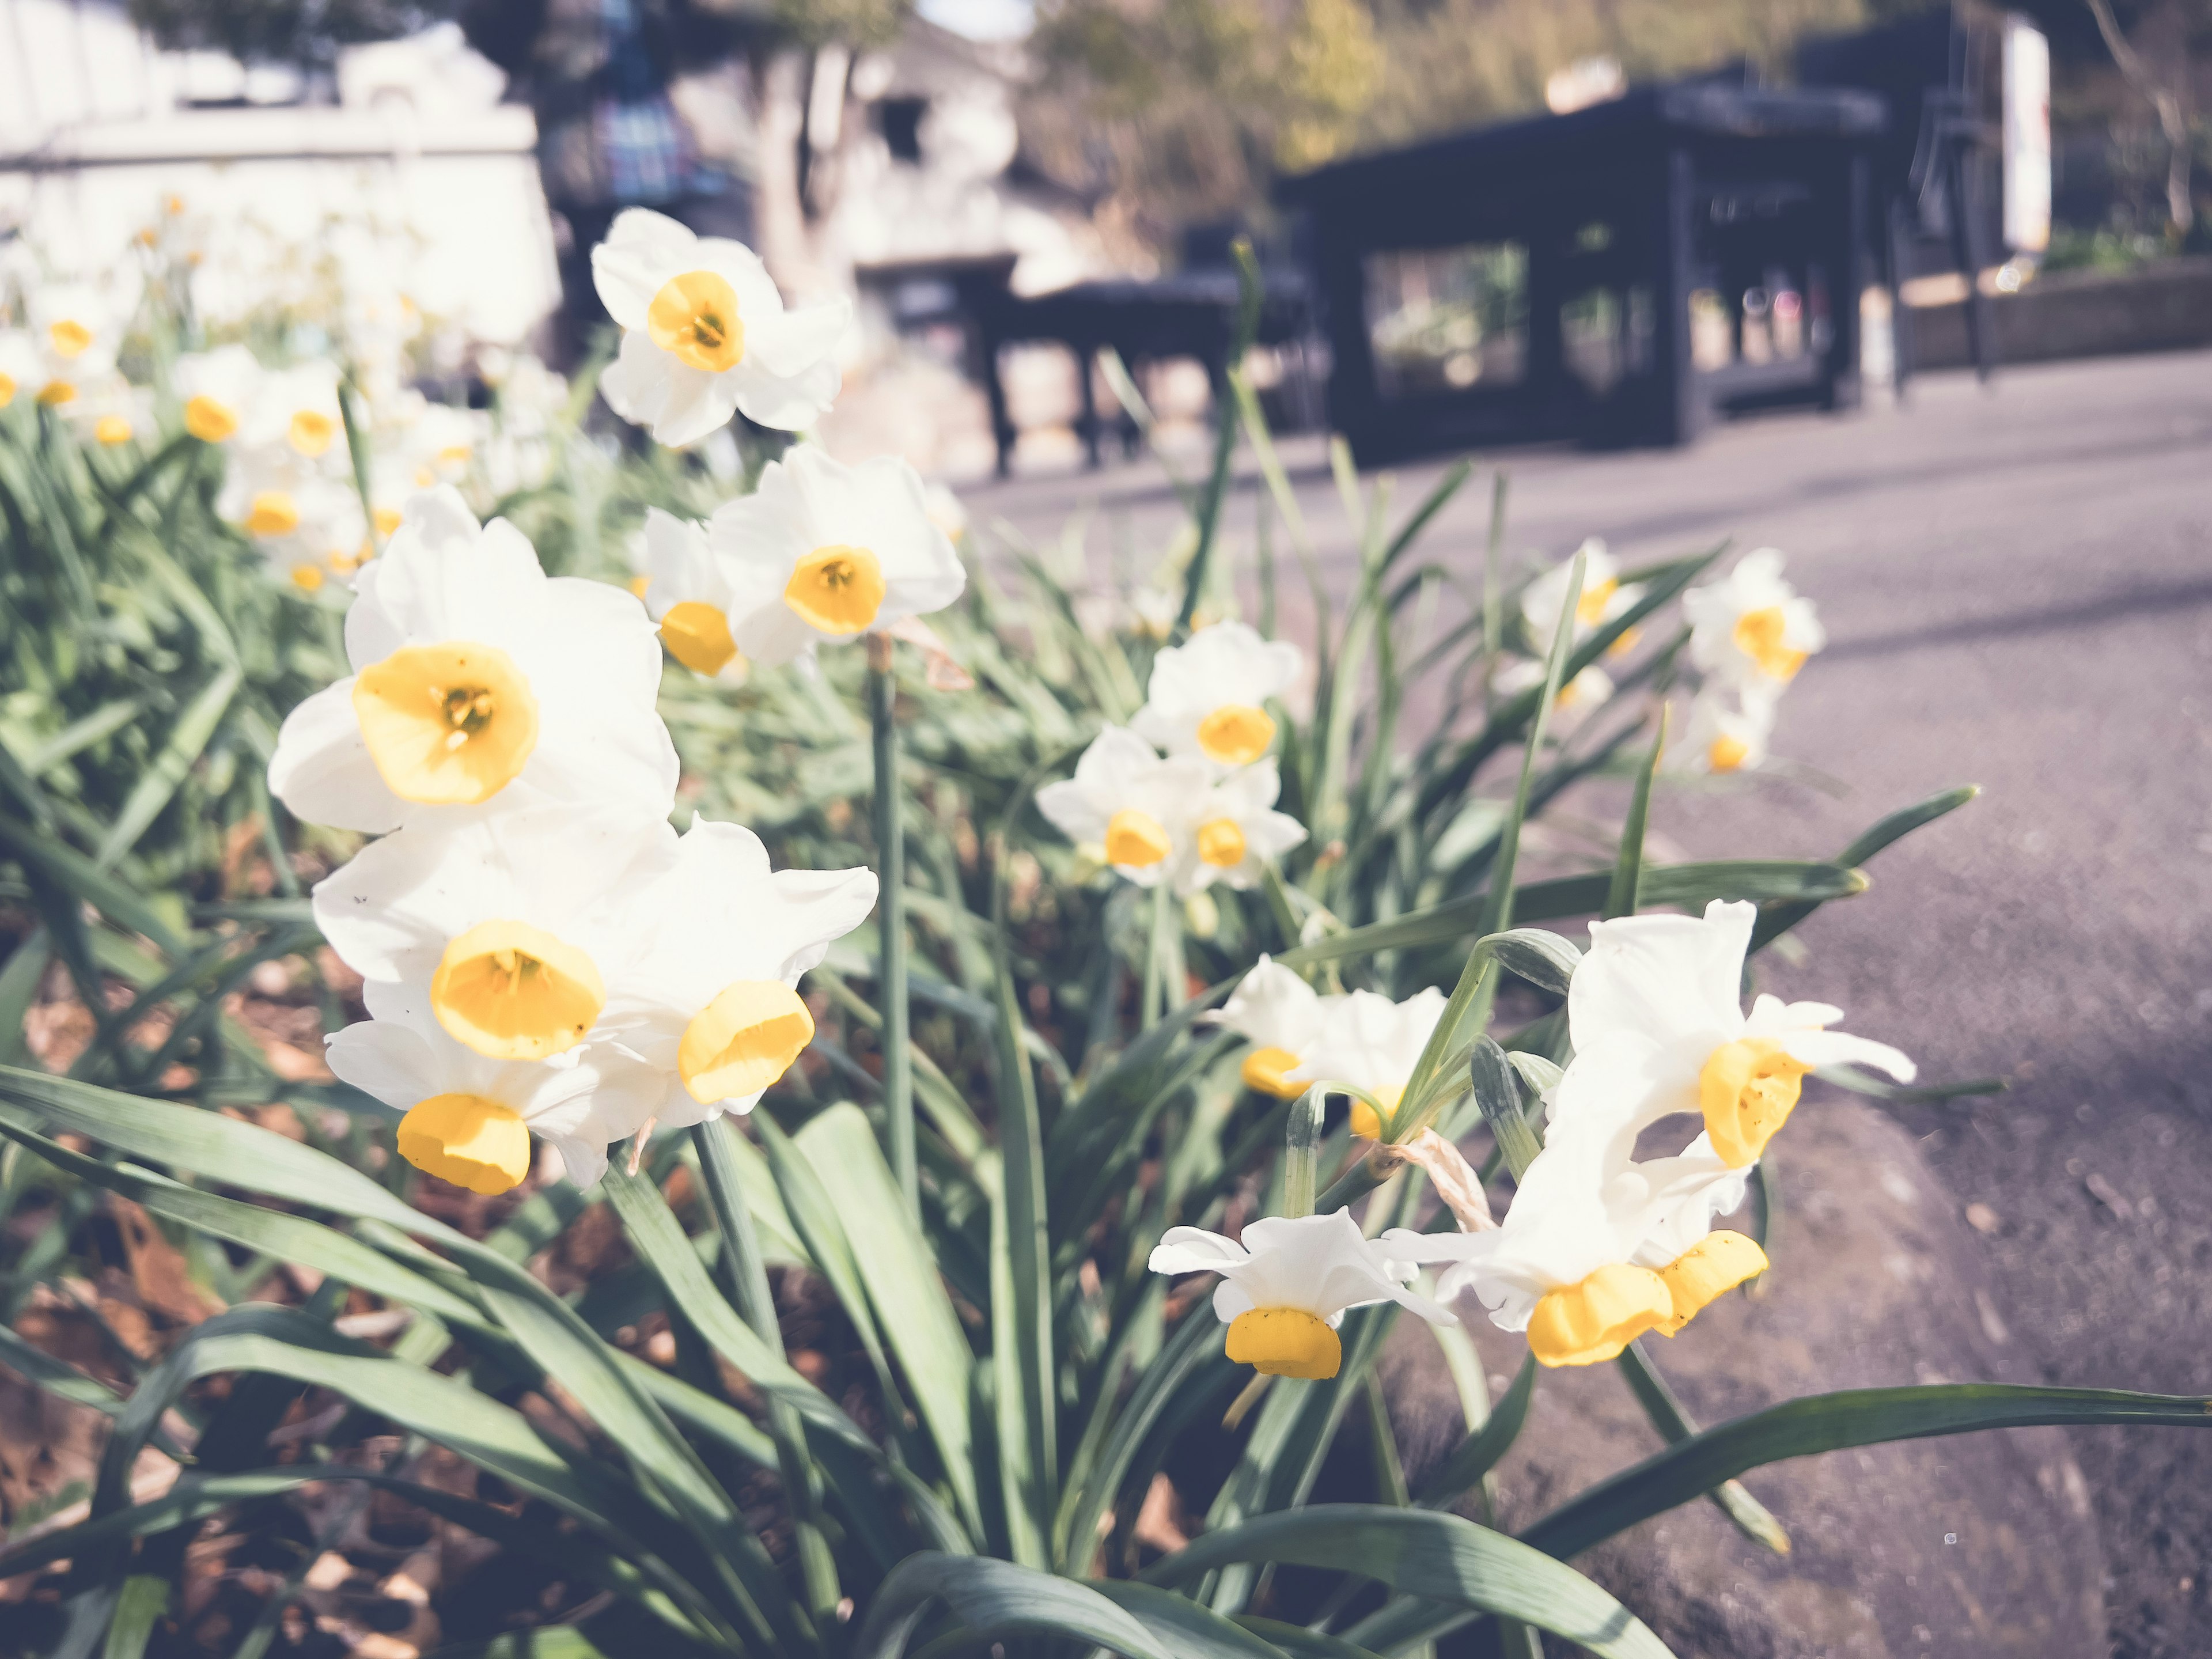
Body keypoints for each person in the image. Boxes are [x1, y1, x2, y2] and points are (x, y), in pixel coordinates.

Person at [462, 0, 760, 366]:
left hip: (706, 171)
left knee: (743, 328)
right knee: (606, 352)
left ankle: (755, 423)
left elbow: (759, 17)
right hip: (588, 184)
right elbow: (490, 34)